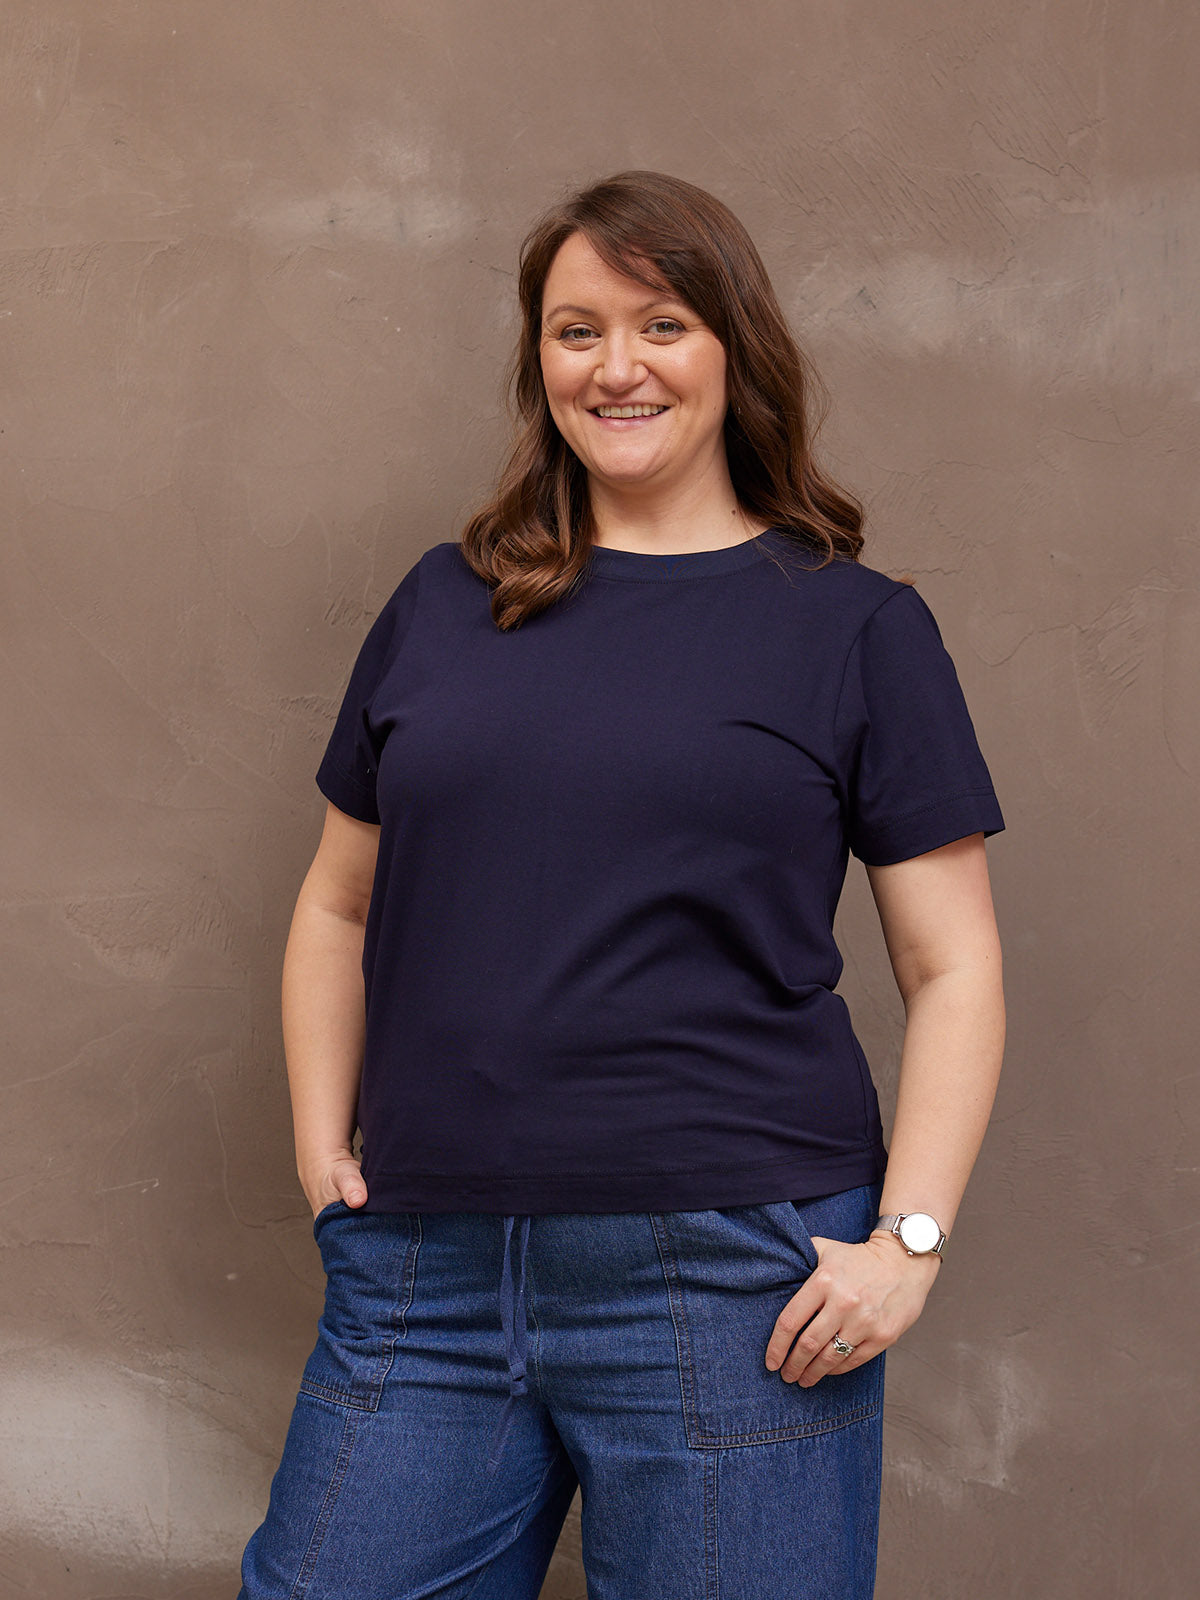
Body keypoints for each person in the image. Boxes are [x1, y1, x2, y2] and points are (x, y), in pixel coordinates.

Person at [236, 170, 1006, 1600]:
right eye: (576, 330)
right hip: (426, 1270)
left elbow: (952, 965)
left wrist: (908, 1242)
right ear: (540, 361)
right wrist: (321, 1149)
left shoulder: (854, 629)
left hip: (735, 1278)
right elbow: (336, 903)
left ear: (733, 349)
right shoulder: (444, 602)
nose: (617, 367)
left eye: (662, 325)